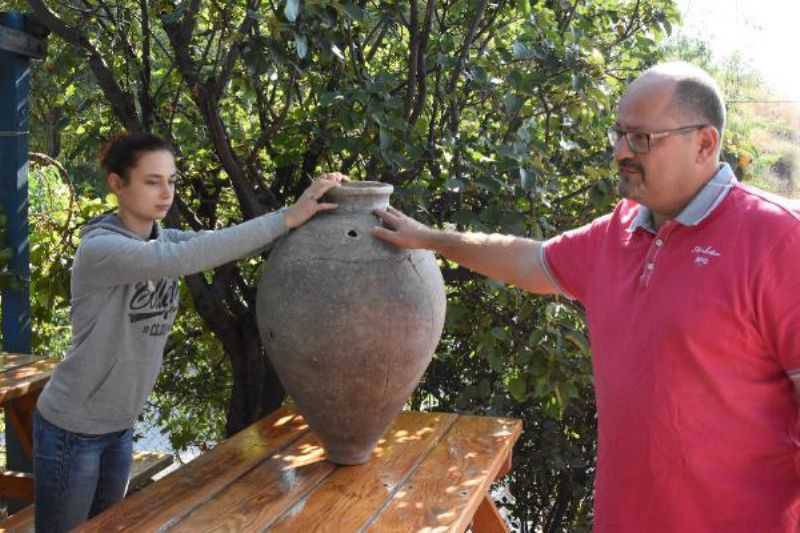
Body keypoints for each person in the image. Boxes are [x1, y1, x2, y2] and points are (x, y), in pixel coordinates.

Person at [372, 61, 800, 532]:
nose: (620, 152)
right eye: (618, 134)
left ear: (704, 143)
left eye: (641, 139)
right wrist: (431, 239)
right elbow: (531, 262)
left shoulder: (779, 240)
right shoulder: (620, 229)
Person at [33, 132, 345, 532]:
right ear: (116, 183)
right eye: (152, 181)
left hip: (118, 426)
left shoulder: (163, 239)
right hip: (72, 431)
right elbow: (186, 256)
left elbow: (219, 244)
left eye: (172, 180)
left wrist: (304, 218)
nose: (166, 192)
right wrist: (287, 215)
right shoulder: (102, 250)